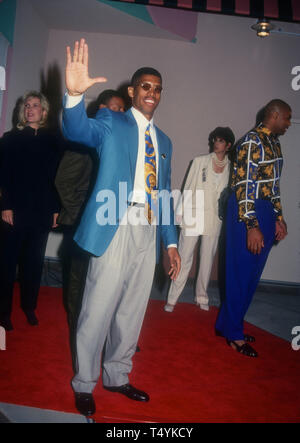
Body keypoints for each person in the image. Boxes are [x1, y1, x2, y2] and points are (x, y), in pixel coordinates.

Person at [62, 38, 180, 416]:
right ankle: (84, 382)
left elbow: (163, 195)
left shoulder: (164, 142)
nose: (152, 93)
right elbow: (78, 132)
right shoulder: (112, 121)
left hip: (147, 227)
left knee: (132, 310)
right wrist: (73, 96)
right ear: (132, 91)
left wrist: (171, 244)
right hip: (115, 221)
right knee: (97, 308)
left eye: (158, 89)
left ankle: (117, 375)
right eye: (146, 86)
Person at [55, 89, 125, 372]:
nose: (121, 114)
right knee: (80, 286)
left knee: (108, 286)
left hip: (112, 228)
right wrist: (84, 213)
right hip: (85, 228)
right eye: (116, 108)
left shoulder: (120, 143)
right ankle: (78, 336)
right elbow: (63, 182)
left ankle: (108, 337)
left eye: (123, 109)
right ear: (102, 110)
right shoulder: (83, 144)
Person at [215, 99, 291, 357]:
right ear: (275, 115)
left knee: (252, 275)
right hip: (247, 211)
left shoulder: (274, 142)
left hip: (266, 210)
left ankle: (227, 324)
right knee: (239, 274)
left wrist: (279, 217)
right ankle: (234, 334)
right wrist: (251, 225)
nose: (289, 123)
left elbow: (274, 185)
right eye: (287, 118)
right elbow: (244, 185)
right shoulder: (251, 142)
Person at [0, 91, 62, 331]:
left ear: (44, 112)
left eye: (35, 105)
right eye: (26, 105)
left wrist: (56, 209)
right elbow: (3, 174)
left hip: (41, 211)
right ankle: (3, 312)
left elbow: (57, 178)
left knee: (34, 263)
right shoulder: (9, 138)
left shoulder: (53, 141)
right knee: (6, 263)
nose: (30, 109)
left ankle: (29, 307)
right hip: (13, 210)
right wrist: (5, 205)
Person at [164, 127, 235, 312]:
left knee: (207, 259)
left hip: (214, 219)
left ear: (228, 145)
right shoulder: (199, 161)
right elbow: (187, 187)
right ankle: (172, 298)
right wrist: (180, 212)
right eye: (214, 140)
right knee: (183, 257)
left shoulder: (232, 167)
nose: (215, 143)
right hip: (193, 215)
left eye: (219, 140)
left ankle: (201, 296)